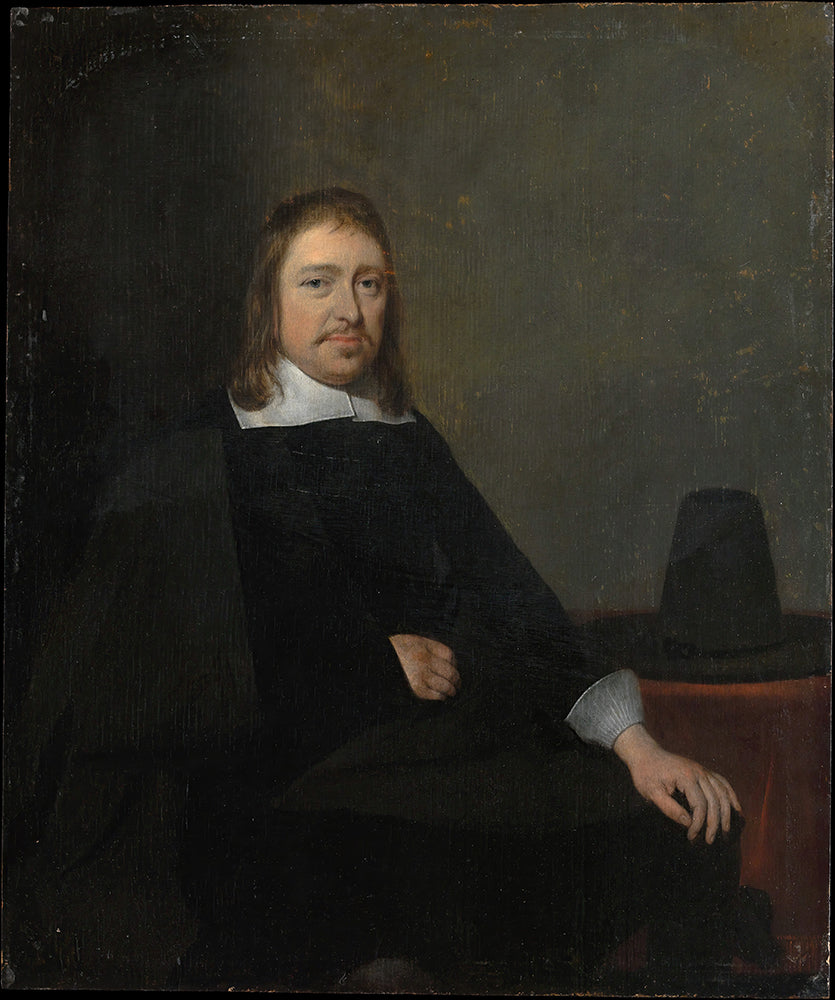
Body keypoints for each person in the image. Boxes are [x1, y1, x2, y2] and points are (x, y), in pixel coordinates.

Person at [5, 188, 747, 992]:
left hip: (434, 758)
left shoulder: (402, 435)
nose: (348, 310)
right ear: (267, 304)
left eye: (369, 283)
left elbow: (511, 598)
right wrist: (367, 665)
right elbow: (160, 684)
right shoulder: (196, 458)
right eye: (317, 282)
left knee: (679, 822)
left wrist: (636, 746)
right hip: (277, 792)